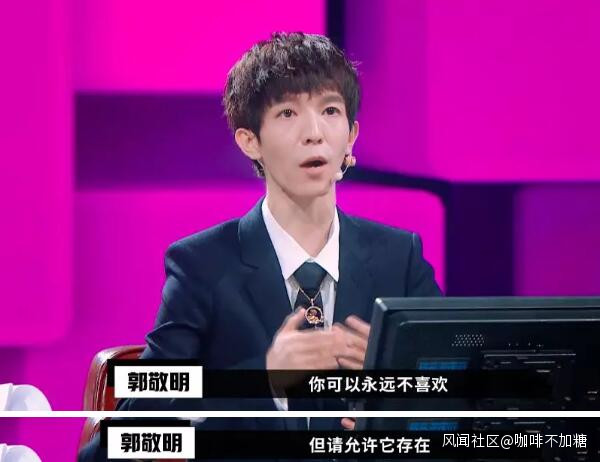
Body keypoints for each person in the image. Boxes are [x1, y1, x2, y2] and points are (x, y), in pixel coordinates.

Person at [79, 31, 441, 461]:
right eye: (288, 113)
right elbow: (117, 442)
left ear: (351, 136)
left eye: (330, 110)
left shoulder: (399, 259)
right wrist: (265, 381)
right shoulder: (201, 267)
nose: (314, 133)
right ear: (250, 141)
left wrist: (401, 402)